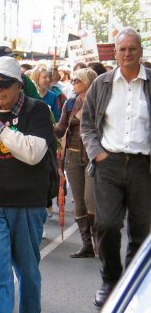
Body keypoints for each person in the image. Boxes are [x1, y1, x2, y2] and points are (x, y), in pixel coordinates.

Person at [0, 56, 54, 313]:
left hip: (27, 203)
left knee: (28, 272)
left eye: (4, 84)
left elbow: (33, 153)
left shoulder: (37, 110)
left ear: (19, 86)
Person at [81, 28, 151, 309]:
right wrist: (97, 153)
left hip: (142, 165)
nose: (126, 54)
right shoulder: (102, 83)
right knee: (107, 225)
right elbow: (87, 124)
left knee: (142, 229)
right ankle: (110, 279)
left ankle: (132, 284)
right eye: (122, 50)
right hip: (108, 163)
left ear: (140, 51)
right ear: (116, 52)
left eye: (132, 49)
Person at [55, 68, 98, 258]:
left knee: (91, 201)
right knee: (79, 202)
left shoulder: (99, 102)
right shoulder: (71, 103)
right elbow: (60, 129)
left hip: (92, 157)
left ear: (88, 82)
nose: (73, 83)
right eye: (72, 80)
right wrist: (46, 123)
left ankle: (99, 242)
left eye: (77, 80)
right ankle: (86, 244)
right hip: (72, 157)